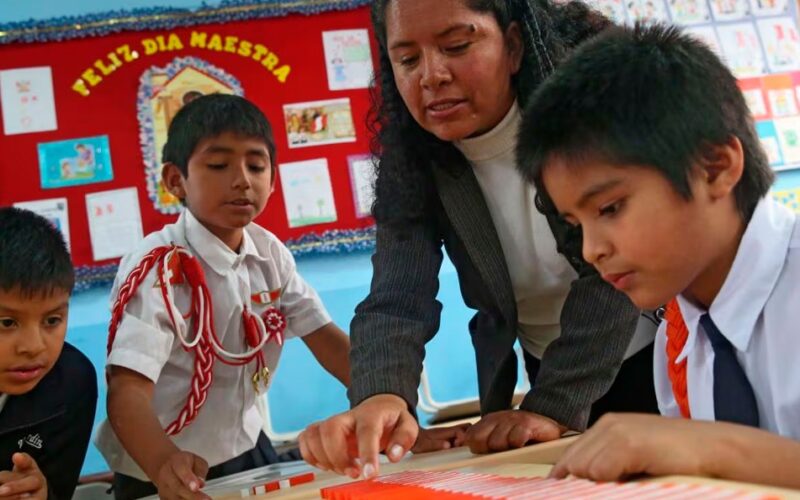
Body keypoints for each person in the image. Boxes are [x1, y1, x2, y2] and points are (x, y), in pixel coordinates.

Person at [299, 0, 660, 480]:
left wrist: (552, 406)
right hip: (548, 364)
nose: (431, 75)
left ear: (512, 46)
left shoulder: (586, 124)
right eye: (407, 60)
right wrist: (382, 395)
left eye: (456, 46)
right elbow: (396, 299)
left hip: (651, 352)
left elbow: (612, 271)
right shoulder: (418, 162)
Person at [516, 23, 800, 488]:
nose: (592, 250)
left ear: (716, 168)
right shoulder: (679, 339)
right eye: (576, 225)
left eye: (610, 208)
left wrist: (707, 448)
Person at [95, 94, 351, 500]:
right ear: (176, 180)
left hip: (246, 446)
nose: (242, 180)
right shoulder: (160, 267)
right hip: (160, 461)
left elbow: (329, 341)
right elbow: (126, 390)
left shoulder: (269, 254)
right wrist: (164, 464)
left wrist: (388, 404)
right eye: (218, 165)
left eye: (256, 165)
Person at [0, 207, 98, 499]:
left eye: (52, 321)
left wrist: (41, 492)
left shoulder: (71, 383)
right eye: (6, 322)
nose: (34, 346)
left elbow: (59, 489)